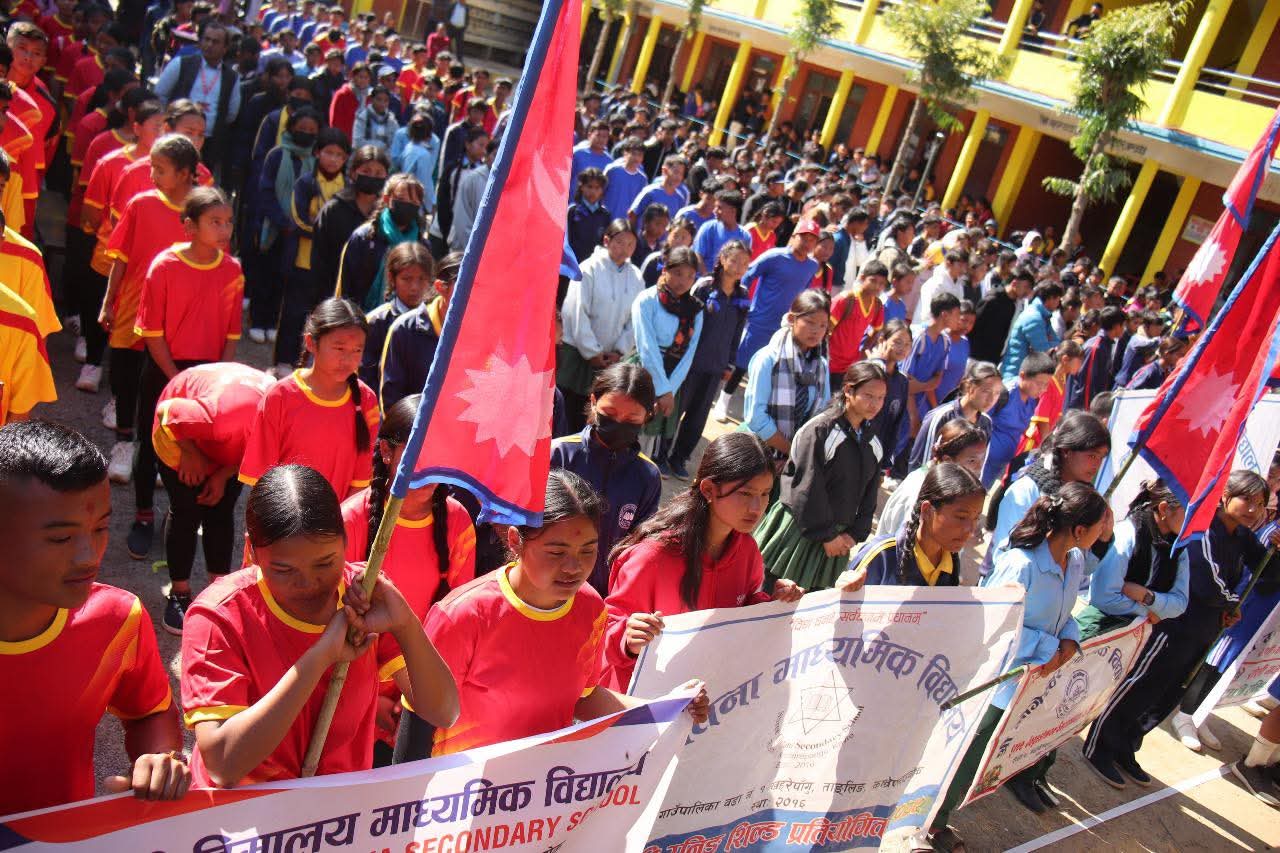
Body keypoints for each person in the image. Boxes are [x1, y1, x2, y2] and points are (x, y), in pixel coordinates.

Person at [180, 464, 460, 786]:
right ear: (251, 552)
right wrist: (320, 657)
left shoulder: (363, 596)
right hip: (241, 817)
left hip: (334, 820)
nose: (309, 584)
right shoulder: (219, 616)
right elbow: (223, 763)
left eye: (326, 563)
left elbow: (443, 712)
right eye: (284, 570)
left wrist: (406, 625)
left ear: (345, 541)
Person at [422, 469, 708, 756]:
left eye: (587, 551)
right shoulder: (462, 616)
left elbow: (583, 698)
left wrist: (667, 709)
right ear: (515, 540)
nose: (574, 568)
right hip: (461, 792)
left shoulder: (591, 608)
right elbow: (419, 721)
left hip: (544, 787)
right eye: (556, 552)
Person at [0, 420, 190, 815]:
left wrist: (159, 757)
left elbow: (149, 712)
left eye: (101, 527)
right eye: (60, 538)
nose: (89, 555)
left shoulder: (117, 620)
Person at [919, 483, 1110, 849]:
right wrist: (1050, 646)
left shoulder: (1076, 561)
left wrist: (1069, 638)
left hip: (1029, 684)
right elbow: (996, 627)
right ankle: (929, 823)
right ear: (1080, 530)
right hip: (996, 683)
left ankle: (937, 818)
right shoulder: (1020, 564)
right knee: (964, 757)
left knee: (982, 763)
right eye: (1100, 526)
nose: (1104, 533)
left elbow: (1064, 614)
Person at [1086, 472, 1276, 786]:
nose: (1253, 510)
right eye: (1247, 500)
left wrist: (1275, 553)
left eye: (1260, 504)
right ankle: (1100, 746)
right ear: (1225, 495)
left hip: (1205, 630)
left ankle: (1127, 746)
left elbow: (1267, 574)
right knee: (1141, 685)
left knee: (1167, 694)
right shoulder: (1203, 529)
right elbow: (1206, 582)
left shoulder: (1242, 537)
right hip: (1174, 626)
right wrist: (1231, 604)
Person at [602, 433, 804, 689]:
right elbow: (604, 634)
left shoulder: (747, 551)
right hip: (640, 701)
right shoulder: (652, 557)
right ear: (708, 489)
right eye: (745, 493)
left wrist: (773, 604)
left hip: (707, 698)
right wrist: (627, 639)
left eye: (765, 494)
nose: (757, 507)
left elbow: (743, 612)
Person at [130, 187, 242, 562]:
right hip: (166, 367)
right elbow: (152, 333)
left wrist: (220, 376)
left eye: (227, 221)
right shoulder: (163, 266)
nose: (224, 229)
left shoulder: (232, 269)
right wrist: (176, 377)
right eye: (215, 222)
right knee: (151, 442)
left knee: (205, 445)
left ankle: (184, 513)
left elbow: (230, 336)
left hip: (209, 376)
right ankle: (144, 515)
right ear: (189, 227)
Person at [99, 134, 200, 502]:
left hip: (176, 317)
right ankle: (124, 442)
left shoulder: (202, 212)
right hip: (133, 307)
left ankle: (162, 451)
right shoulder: (140, 204)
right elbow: (121, 257)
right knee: (125, 378)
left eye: (160, 169)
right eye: (151, 167)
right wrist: (109, 301)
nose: (152, 174)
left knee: (165, 387)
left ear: (187, 174)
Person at [150, 363, 275, 634]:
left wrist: (221, 475)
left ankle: (218, 591)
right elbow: (166, 414)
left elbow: (251, 455)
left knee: (220, 511)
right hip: (177, 431)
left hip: (228, 436)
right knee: (186, 511)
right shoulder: (220, 417)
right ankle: (179, 593)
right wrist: (191, 454)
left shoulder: (280, 424)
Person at [756, 361, 887, 591]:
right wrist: (826, 536)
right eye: (868, 395)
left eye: (880, 398)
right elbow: (805, 485)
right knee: (767, 595)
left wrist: (853, 535)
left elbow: (869, 495)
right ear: (848, 390)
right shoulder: (820, 431)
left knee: (809, 610)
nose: (875, 404)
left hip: (837, 540)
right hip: (799, 531)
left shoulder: (873, 443)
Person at [239, 298, 380, 501]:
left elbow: (361, 479)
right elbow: (260, 476)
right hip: (286, 522)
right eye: (339, 348)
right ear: (311, 343)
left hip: (339, 522)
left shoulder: (366, 400)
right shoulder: (280, 396)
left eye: (357, 350)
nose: (348, 359)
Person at [549, 364, 661, 596]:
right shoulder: (558, 454)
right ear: (593, 401)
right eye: (610, 414)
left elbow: (639, 548)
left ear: (648, 416)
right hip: (547, 583)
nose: (619, 423)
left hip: (602, 595)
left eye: (631, 418)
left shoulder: (648, 476)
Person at [713, 221, 820, 420]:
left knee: (770, 370)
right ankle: (723, 400)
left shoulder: (812, 266)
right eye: (804, 237)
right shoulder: (774, 256)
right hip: (759, 321)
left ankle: (755, 411)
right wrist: (744, 303)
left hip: (785, 326)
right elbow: (747, 275)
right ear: (794, 235)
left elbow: (803, 293)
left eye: (812, 240)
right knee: (741, 364)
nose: (807, 243)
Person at [985, 410, 1111, 577]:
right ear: (1067, 451)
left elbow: (1083, 569)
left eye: (1101, 457)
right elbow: (1005, 556)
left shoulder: (1087, 500)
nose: (1097, 464)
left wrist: (1103, 538)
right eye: (1092, 456)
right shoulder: (1026, 490)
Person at [667, 240, 751, 479]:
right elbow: (687, 320)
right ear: (722, 259)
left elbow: (738, 332)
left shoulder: (742, 296)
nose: (738, 266)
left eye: (744, 263)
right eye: (734, 259)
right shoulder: (704, 287)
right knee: (677, 409)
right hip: (691, 363)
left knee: (698, 415)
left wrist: (730, 363)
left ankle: (679, 457)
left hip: (716, 367)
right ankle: (662, 454)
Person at [273, 126, 349, 371]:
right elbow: (297, 220)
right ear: (318, 153)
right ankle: (284, 360)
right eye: (329, 153)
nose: (333, 159)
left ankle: (311, 363)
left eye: (339, 155)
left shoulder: (347, 187)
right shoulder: (306, 183)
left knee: (323, 316)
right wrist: (328, 232)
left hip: (331, 265)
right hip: (303, 260)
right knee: (293, 314)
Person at [557, 219, 643, 432]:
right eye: (620, 242)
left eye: (631, 244)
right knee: (566, 409)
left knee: (594, 413)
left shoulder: (636, 277)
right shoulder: (589, 268)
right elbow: (577, 312)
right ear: (607, 240)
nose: (625, 249)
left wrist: (619, 351)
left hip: (609, 359)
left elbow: (634, 321)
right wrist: (592, 352)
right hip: (579, 353)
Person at [1076, 478, 1189, 640]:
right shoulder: (1127, 534)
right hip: (1096, 629)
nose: (1192, 521)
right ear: (1164, 509)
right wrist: (1147, 612)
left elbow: (1180, 603)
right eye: (1188, 512)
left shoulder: (1180, 549)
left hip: (1130, 639)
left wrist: (1146, 596)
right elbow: (1103, 597)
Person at [841, 461, 985, 587]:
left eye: (976, 519)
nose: (970, 530)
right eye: (961, 517)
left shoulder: (950, 563)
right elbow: (843, 610)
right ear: (927, 511)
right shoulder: (882, 557)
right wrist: (846, 588)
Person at [252, 106, 321, 344]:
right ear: (291, 128)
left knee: (284, 279)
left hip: (298, 231)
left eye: (312, 131)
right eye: (302, 129)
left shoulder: (316, 160)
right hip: (273, 226)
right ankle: (258, 320)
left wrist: (299, 222)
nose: (306, 133)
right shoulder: (276, 154)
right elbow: (265, 190)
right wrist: (282, 220)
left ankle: (273, 321)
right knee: (266, 275)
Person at [631, 246, 703, 467]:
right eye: (679, 273)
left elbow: (688, 355)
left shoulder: (695, 310)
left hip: (672, 379)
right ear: (665, 270)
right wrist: (661, 388)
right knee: (631, 426)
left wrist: (669, 390)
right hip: (642, 372)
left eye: (691, 276)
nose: (684, 281)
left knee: (650, 436)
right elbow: (647, 347)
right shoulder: (647, 300)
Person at [742, 289, 831, 461]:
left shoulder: (821, 366)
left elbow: (823, 414)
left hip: (795, 458)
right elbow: (756, 418)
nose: (817, 331)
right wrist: (792, 451)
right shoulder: (768, 359)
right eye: (810, 322)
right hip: (757, 453)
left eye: (823, 325)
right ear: (792, 319)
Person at [154, 20, 239, 174]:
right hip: (176, 137)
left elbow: (231, 114)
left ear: (225, 48)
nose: (209, 45)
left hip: (209, 145)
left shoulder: (232, 77)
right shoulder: (181, 64)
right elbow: (160, 94)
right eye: (206, 39)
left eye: (215, 41)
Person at [879, 420, 989, 538]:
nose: (979, 468)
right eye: (972, 461)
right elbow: (900, 546)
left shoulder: (949, 486)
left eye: (982, 459)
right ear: (947, 461)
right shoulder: (917, 492)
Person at [379, 252, 461, 411]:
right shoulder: (404, 330)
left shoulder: (485, 331)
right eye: (464, 287)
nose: (472, 295)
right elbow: (391, 400)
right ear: (440, 287)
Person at [335, 173, 426, 311]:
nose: (407, 205)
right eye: (401, 199)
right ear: (387, 199)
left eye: (413, 203)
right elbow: (346, 286)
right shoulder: (364, 238)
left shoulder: (421, 246)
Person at [311, 144, 390, 300]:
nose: (372, 176)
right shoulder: (334, 209)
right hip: (334, 291)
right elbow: (319, 259)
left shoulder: (388, 214)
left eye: (378, 173)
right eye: (366, 171)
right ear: (353, 173)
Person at [359, 242, 433, 392]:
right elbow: (366, 377)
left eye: (421, 279)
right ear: (392, 278)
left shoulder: (436, 319)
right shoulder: (376, 322)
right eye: (407, 279)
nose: (415, 287)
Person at [908, 358, 999, 472]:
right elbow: (921, 465)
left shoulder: (986, 423)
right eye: (986, 391)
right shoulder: (940, 417)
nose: (991, 399)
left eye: (997, 393)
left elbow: (979, 467)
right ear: (970, 387)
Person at [982, 352, 1055, 489]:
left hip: (999, 466)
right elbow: (978, 422)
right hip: (981, 464)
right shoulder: (1003, 394)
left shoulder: (1033, 400)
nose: (1043, 389)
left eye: (1046, 385)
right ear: (1023, 376)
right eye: (1039, 384)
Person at [902, 292, 960, 434]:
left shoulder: (945, 341)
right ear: (944, 314)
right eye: (956, 314)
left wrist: (933, 410)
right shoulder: (918, 337)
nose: (959, 319)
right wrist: (913, 415)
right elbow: (904, 381)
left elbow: (936, 379)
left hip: (920, 407)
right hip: (903, 406)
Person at [1016, 340, 1084, 458]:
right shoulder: (1049, 383)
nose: (1081, 365)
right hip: (1034, 441)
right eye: (1079, 361)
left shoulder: (1062, 379)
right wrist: (1046, 447)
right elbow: (1042, 419)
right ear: (1065, 359)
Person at [828, 260, 887, 391]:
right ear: (862, 277)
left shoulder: (877, 305)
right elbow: (826, 329)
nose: (877, 286)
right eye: (873, 280)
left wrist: (863, 353)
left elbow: (877, 330)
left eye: (882, 284)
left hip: (850, 366)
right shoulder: (845, 300)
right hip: (829, 363)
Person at [1066, 305, 1125, 410]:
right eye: (1123, 325)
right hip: (1080, 408)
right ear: (1116, 326)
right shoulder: (1096, 347)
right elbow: (1087, 383)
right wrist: (1090, 412)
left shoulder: (1105, 344)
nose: (1124, 329)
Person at [1001, 281, 1063, 382]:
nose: (1058, 304)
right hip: (1015, 374)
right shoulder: (1034, 317)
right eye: (1058, 300)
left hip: (1023, 374)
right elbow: (1043, 351)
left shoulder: (1042, 316)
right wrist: (1051, 346)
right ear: (1051, 298)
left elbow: (1055, 342)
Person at [970, 268, 1033, 365]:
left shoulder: (1015, 305)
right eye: (1026, 287)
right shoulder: (992, 300)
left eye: (1029, 288)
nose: (1027, 292)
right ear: (1014, 283)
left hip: (994, 358)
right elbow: (974, 327)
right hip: (976, 357)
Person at [567, 167, 611, 265]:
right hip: (572, 266)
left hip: (593, 268)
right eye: (589, 187)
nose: (593, 191)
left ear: (602, 190)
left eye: (597, 188)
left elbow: (604, 244)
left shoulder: (605, 215)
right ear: (582, 187)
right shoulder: (572, 211)